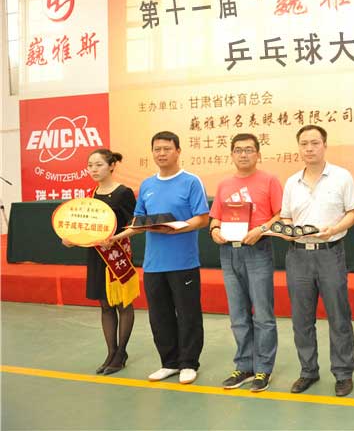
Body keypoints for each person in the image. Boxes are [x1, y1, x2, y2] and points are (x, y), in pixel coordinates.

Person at [113, 131, 210, 385]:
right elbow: (138, 222)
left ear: (178, 151)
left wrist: (177, 228)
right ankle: (169, 363)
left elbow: (202, 218)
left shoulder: (191, 182)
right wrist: (114, 238)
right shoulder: (147, 185)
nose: (162, 153)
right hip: (153, 264)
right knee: (159, 316)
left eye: (167, 148)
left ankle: (188, 363)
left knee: (188, 314)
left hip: (184, 262)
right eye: (157, 149)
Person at [280, 125, 354, 397]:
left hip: (330, 253)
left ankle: (343, 373)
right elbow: (286, 216)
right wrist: (288, 229)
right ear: (299, 148)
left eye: (315, 143)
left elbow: (352, 213)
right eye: (304, 144)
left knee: (338, 316)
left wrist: (334, 229)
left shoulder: (342, 177)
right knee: (301, 319)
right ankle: (308, 371)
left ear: (325, 145)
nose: (309, 148)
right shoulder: (292, 182)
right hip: (298, 256)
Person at [209, 133, 282, 393]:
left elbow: (281, 215)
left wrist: (261, 229)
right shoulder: (224, 184)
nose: (243, 154)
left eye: (249, 150)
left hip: (257, 249)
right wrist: (214, 230)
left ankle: (263, 369)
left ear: (258, 154)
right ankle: (244, 365)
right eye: (238, 150)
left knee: (262, 314)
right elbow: (215, 217)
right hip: (229, 252)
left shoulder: (270, 180)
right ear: (231, 154)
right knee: (238, 315)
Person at [63, 148, 138, 375]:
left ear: (112, 166)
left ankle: (121, 352)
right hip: (97, 256)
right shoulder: (90, 195)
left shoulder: (124, 193)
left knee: (123, 304)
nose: (93, 169)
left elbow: (135, 225)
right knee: (105, 305)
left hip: (117, 255)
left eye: (99, 165)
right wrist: (72, 239)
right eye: (90, 165)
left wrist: (114, 239)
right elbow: (85, 228)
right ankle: (111, 352)